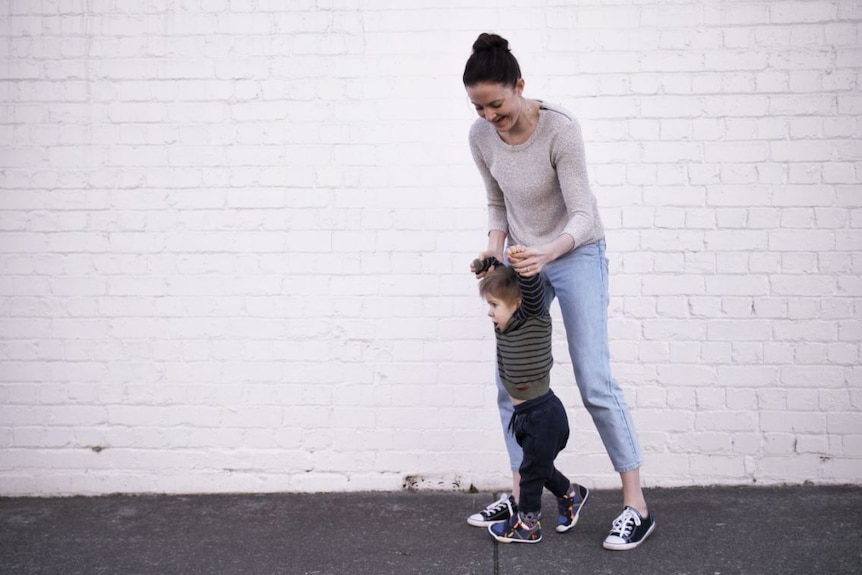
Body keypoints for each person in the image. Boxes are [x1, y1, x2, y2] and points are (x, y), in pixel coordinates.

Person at [462, 32, 655, 550]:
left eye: (497, 105)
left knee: (594, 380)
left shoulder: (560, 130)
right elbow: (497, 203)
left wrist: (547, 252)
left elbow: (583, 214)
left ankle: (635, 504)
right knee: (512, 380)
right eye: (479, 107)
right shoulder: (480, 137)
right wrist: (494, 249)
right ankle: (522, 489)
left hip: (575, 253)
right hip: (524, 258)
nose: (489, 117)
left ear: (520, 86)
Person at [472, 247, 590, 544]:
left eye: (494, 304)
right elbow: (502, 283)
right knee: (538, 467)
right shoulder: (506, 326)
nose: (490, 311)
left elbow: (532, 291)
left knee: (530, 473)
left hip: (544, 415)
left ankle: (528, 525)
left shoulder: (533, 317)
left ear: (518, 304)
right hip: (526, 417)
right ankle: (570, 494)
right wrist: (490, 267)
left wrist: (525, 266)